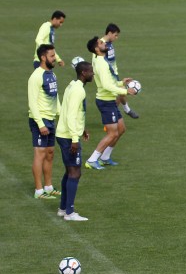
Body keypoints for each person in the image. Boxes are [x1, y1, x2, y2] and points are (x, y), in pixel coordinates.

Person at [84, 37, 139, 170]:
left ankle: (105, 157)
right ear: (97, 49)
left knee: (121, 129)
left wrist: (121, 82)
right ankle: (92, 160)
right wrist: (126, 91)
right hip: (106, 101)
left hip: (108, 100)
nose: (105, 43)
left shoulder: (101, 59)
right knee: (112, 133)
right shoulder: (101, 64)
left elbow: (109, 81)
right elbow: (107, 85)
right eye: (101, 43)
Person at [55, 62, 95, 221]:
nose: (93, 74)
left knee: (69, 172)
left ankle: (63, 208)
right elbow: (71, 115)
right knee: (75, 173)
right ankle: (69, 213)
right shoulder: (78, 90)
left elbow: (70, 110)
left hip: (64, 133)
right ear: (84, 73)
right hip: (67, 136)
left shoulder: (72, 85)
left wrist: (82, 128)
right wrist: (74, 139)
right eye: (91, 72)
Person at [28, 44, 61, 199]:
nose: (55, 58)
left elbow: (56, 98)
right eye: (52, 56)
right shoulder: (36, 76)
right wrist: (40, 124)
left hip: (51, 119)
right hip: (39, 120)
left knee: (50, 153)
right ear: (43, 57)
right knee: (40, 154)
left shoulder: (52, 74)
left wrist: (60, 115)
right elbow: (32, 103)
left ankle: (48, 187)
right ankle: (38, 190)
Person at [102, 23, 139, 119]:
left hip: (114, 74)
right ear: (109, 33)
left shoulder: (110, 44)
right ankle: (114, 116)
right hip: (108, 76)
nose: (116, 37)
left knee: (120, 93)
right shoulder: (102, 45)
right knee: (119, 93)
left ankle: (124, 111)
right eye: (116, 35)